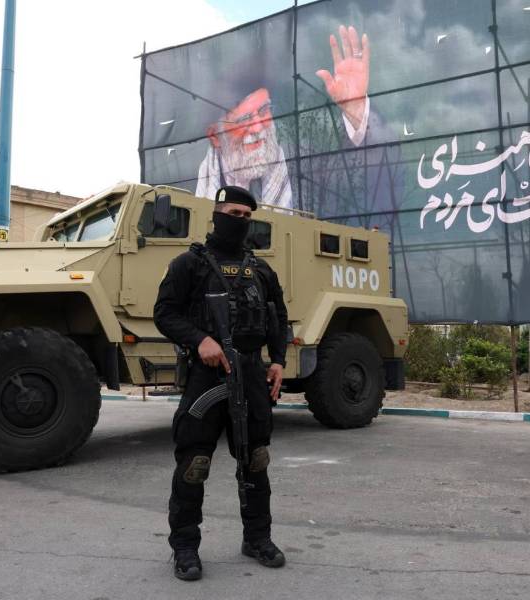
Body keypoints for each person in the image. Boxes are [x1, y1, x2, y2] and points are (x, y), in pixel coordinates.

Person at [153, 185, 289, 581]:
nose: (240, 221)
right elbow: (164, 313)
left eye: (247, 216)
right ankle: (184, 548)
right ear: (216, 214)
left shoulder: (261, 270)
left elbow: (279, 317)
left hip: (251, 373)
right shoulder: (189, 264)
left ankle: (257, 538)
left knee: (256, 460)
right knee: (195, 463)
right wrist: (200, 339)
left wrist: (278, 360)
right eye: (233, 213)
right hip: (207, 375)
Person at [196, 25, 400, 214]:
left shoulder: (300, 160)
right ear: (215, 136)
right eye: (245, 119)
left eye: (264, 110)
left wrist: (354, 109)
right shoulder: (202, 189)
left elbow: (366, 170)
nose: (258, 127)